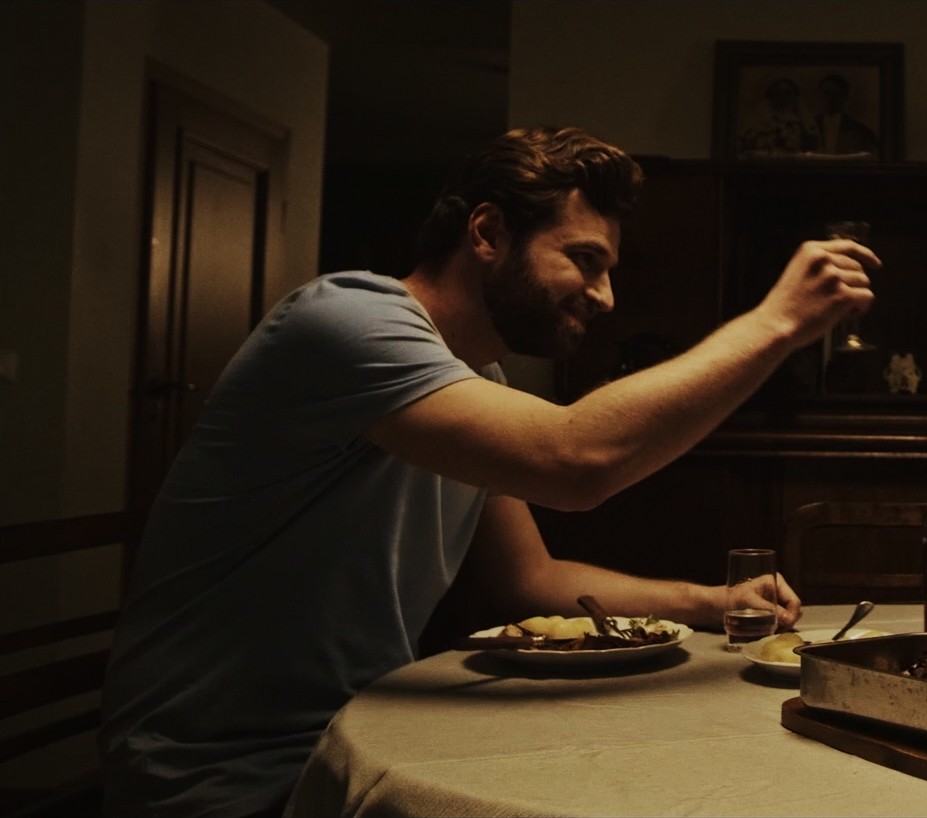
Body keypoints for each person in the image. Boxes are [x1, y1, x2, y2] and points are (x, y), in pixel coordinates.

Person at [100, 126, 879, 817]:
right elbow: (574, 461)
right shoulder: (345, 322)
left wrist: (709, 602)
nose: (605, 296)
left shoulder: (475, 386)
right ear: (487, 232)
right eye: (585, 260)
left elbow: (529, 580)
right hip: (218, 772)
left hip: (348, 743)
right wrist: (777, 323)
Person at [814, 73, 880, 157]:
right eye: (827, 93)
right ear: (820, 95)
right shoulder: (807, 127)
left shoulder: (861, 132)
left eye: (837, 94)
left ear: (846, 97)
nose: (831, 98)